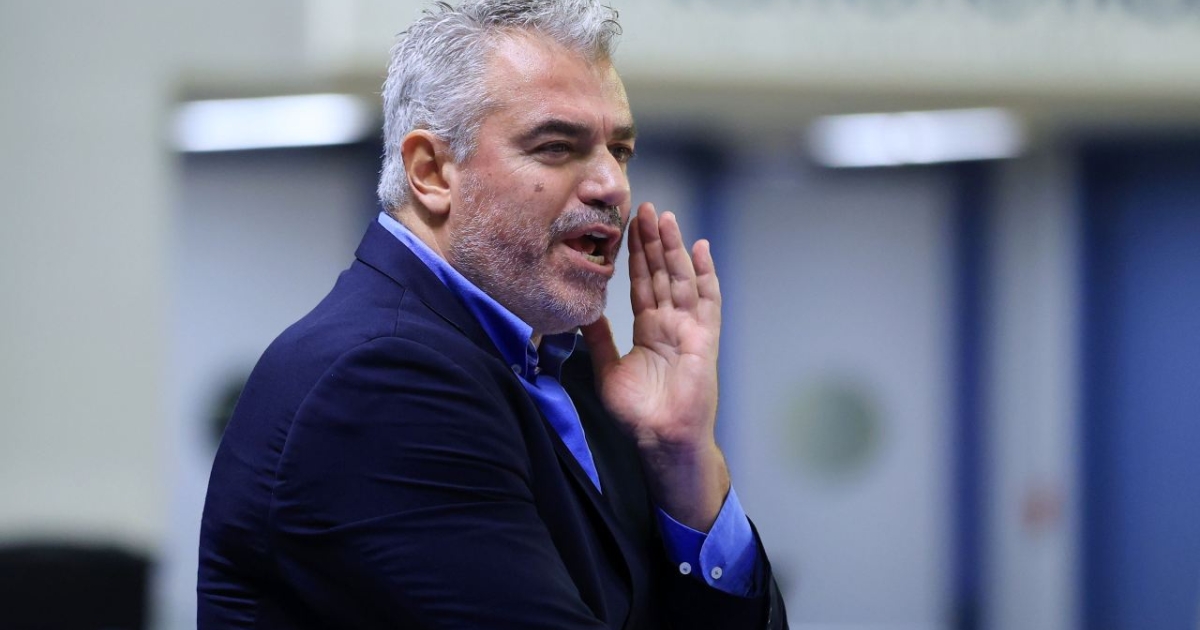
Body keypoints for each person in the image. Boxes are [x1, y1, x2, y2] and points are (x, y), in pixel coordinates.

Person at [198, 1, 788, 628]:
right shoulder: (382, 382)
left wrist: (682, 460)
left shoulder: (576, 376)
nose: (612, 185)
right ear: (431, 172)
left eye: (620, 150)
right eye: (557, 146)